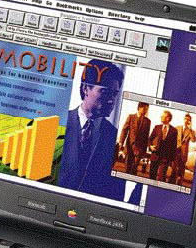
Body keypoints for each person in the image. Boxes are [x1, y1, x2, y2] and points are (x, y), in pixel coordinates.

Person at [57, 59, 126, 200]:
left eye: (114, 94)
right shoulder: (56, 124)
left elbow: (116, 193)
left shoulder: (115, 138)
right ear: (85, 89)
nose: (111, 100)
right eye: (105, 92)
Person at [118, 102, 151, 175]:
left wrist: (145, 150)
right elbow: (124, 130)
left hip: (139, 150)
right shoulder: (131, 117)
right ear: (139, 108)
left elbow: (146, 136)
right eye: (144, 109)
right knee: (127, 169)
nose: (145, 111)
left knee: (134, 169)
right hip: (129, 147)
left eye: (147, 109)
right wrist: (121, 142)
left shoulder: (148, 121)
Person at [148, 110, 178, 182]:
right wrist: (150, 146)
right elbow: (149, 139)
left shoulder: (174, 131)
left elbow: (174, 146)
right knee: (152, 177)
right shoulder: (157, 127)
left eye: (162, 116)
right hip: (155, 156)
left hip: (165, 158)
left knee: (161, 178)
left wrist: (172, 160)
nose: (161, 117)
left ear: (168, 118)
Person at [173, 113, 196, 185]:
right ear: (183, 119)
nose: (187, 121)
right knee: (173, 172)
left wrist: (190, 129)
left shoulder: (191, 131)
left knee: (181, 174)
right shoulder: (177, 128)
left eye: (189, 120)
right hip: (175, 153)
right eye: (186, 119)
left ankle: (179, 186)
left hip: (183, 155)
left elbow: (193, 140)